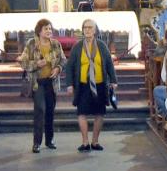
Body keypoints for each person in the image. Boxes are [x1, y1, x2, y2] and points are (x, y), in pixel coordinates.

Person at [63, 17, 115, 152]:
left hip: (99, 84)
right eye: (85, 27)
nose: (87, 30)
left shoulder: (102, 45)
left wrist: (113, 80)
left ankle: (95, 142)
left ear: (95, 30)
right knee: (81, 113)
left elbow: (109, 64)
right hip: (83, 85)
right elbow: (69, 66)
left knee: (99, 113)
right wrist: (69, 84)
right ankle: (85, 142)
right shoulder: (77, 46)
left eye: (90, 27)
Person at [19, 18, 64, 153]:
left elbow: (63, 60)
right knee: (40, 111)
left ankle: (49, 140)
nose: (49, 31)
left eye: (50, 28)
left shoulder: (55, 44)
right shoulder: (31, 44)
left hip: (52, 83)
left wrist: (58, 69)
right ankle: (36, 142)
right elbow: (23, 62)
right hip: (37, 83)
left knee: (50, 111)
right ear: (39, 31)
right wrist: (36, 64)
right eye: (46, 29)